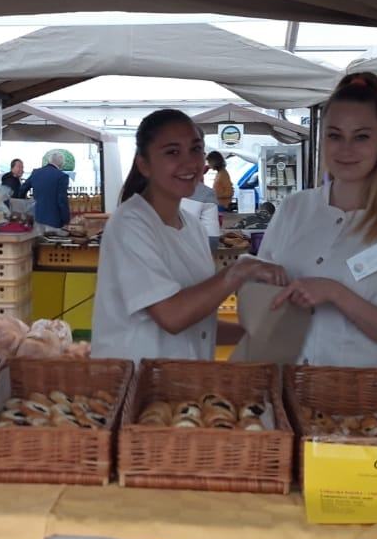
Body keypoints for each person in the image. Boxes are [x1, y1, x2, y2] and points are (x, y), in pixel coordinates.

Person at [259, 71, 377, 368]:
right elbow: (262, 294)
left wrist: (335, 293)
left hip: (362, 394)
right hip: (286, 385)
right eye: (335, 136)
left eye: (361, 137)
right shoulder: (294, 208)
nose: (346, 149)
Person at [92, 110, 286, 364]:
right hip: (137, 380)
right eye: (172, 152)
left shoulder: (192, 227)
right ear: (144, 165)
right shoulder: (130, 224)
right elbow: (172, 316)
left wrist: (255, 335)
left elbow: (197, 321)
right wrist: (238, 272)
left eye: (195, 149)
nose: (189, 163)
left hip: (185, 380)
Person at [25, 151, 71, 230]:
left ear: (49, 160)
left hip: (37, 217)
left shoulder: (36, 173)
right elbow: (62, 200)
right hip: (54, 220)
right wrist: (66, 220)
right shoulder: (62, 176)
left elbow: (23, 189)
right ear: (61, 164)